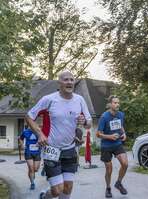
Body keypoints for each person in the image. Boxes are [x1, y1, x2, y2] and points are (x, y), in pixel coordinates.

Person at [25, 71, 92, 199]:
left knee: (67, 188)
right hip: (52, 149)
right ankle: (45, 196)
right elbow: (29, 116)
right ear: (59, 83)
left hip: (70, 149)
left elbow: (89, 123)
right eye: (66, 80)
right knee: (57, 190)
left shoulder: (80, 100)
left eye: (72, 80)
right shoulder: (49, 99)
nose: (69, 82)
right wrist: (40, 134)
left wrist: (85, 122)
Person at [96, 95, 128, 198]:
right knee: (109, 169)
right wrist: (110, 136)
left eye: (118, 103)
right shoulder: (104, 117)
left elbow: (121, 126)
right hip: (106, 146)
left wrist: (124, 134)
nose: (117, 104)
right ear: (110, 104)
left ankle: (118, 183)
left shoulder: (121, 115)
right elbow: (98, 134)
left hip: (117, 144)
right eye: (115, 103)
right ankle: (108, 188)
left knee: (125, 164)